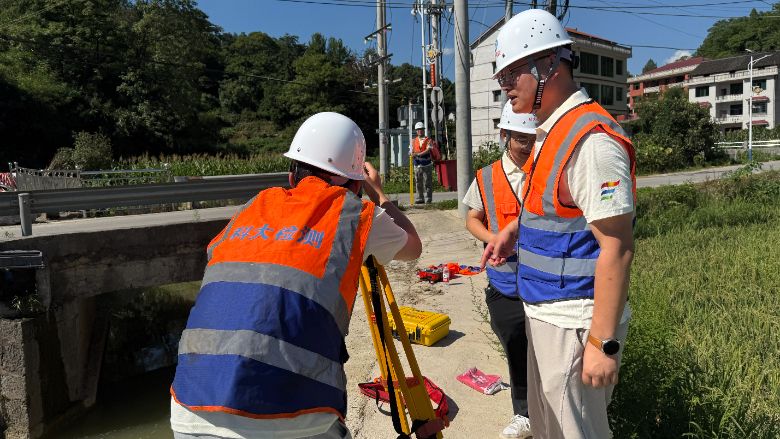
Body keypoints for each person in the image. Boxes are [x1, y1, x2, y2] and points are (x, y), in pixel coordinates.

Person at [169, 112, 422, 439]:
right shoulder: (355, 213)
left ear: (292, 176)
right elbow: (413, 246)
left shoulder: (252, 208)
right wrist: (380, 195)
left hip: (189, 406)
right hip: (292, 415)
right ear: (355, 184)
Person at [482, 9, 636, 439]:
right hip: (546, 313)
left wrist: (602, 344)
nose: (505, 86)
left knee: (577, 432)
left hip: (575, 322)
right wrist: (514, 232)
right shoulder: (550, 132)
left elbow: (618, 246)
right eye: (501, 76)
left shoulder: (592, 141)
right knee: (550, 429)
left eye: (513, 72)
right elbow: (553, 209)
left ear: (549, 65)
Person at [463, 101, 537, 439]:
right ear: (505, 135)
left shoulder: (547, 170)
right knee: (517, 351)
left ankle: (551, 414)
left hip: (547, 284)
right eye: (522, 140)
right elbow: (472, 218)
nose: (529, 147)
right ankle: (524, 413)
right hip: (505, 286)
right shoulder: (486, 177)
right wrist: (494, 238)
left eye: (534, 139)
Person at [411, 121, 434, 204]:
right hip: (417, 164)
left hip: (426, 164)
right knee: (418, 182)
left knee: (427, 182)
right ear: (416, 131)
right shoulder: (413, 141)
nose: (419, 131)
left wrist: (417, 155)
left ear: (423, 130)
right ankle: (420, 198)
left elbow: (428, 150)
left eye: (421, 129)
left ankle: (428, 198)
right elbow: (410, 151)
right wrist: (411, 154)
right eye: (418, 130)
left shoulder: (429, 140)